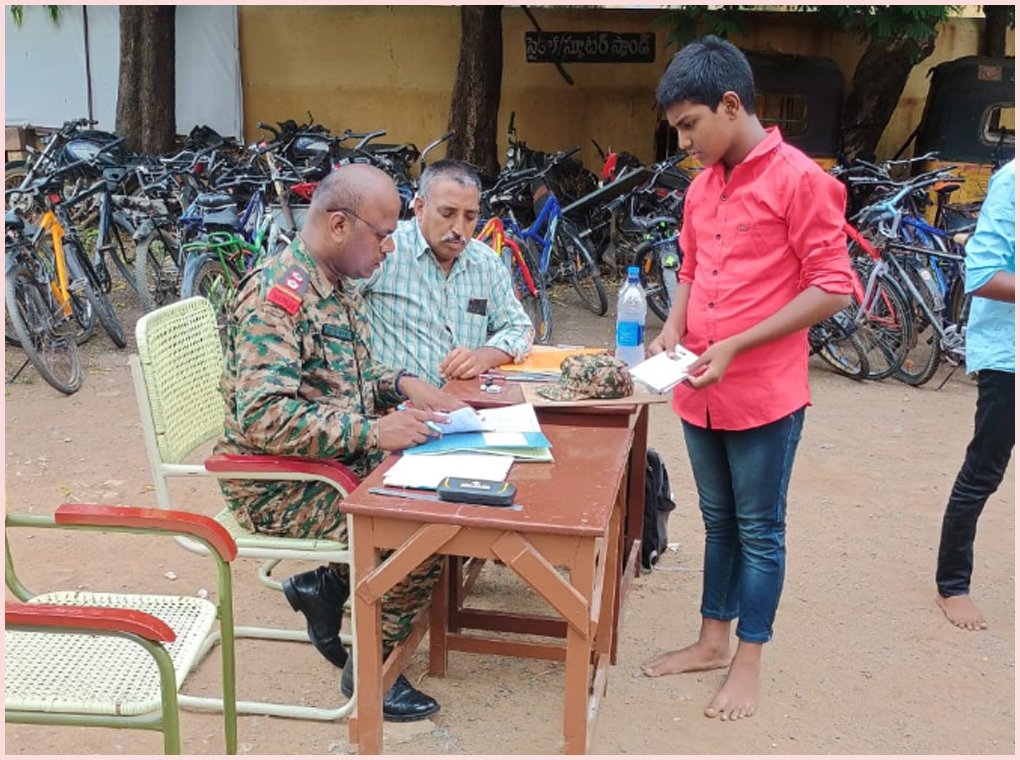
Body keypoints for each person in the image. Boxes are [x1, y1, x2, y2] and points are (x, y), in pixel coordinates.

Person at [640, 36, 853, 722]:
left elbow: (834, 287)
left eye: (689, 125)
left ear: (731, 105)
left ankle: (747, 661)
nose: (684, 141)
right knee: (719, 522)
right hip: (700, 390)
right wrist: (675, 322)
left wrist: (735, 344)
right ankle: (710, 640)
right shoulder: (701, 188)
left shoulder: (801, 180)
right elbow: (693, 266)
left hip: (763, 395)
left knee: (760, 529)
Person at [214, 163, 468, 722]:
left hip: (328, 461)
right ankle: (372, 671)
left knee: (443, 484)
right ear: (337, 225)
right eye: (382, 234)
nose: (391, 247)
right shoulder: (278, 296)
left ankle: (325, 588)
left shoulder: (335, 283)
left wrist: (403, 383)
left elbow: (344, 377)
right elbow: (263, 415)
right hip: (277, 482)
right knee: (415, 528)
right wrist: (373, 431)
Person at [356, 159, 534, 387]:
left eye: (470, 217)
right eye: (447, 213)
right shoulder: (386, 250)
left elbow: (519, 327)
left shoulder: (485, 262)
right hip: (394, 410)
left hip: (463, 409)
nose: (459, 229)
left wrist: (483, 357)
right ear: (420, 207)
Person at [935, 159, 1015, 631]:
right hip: (1010, 358)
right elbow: (982, 274)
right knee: (984, 470)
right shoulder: (1012, 182)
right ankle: (953, 584)